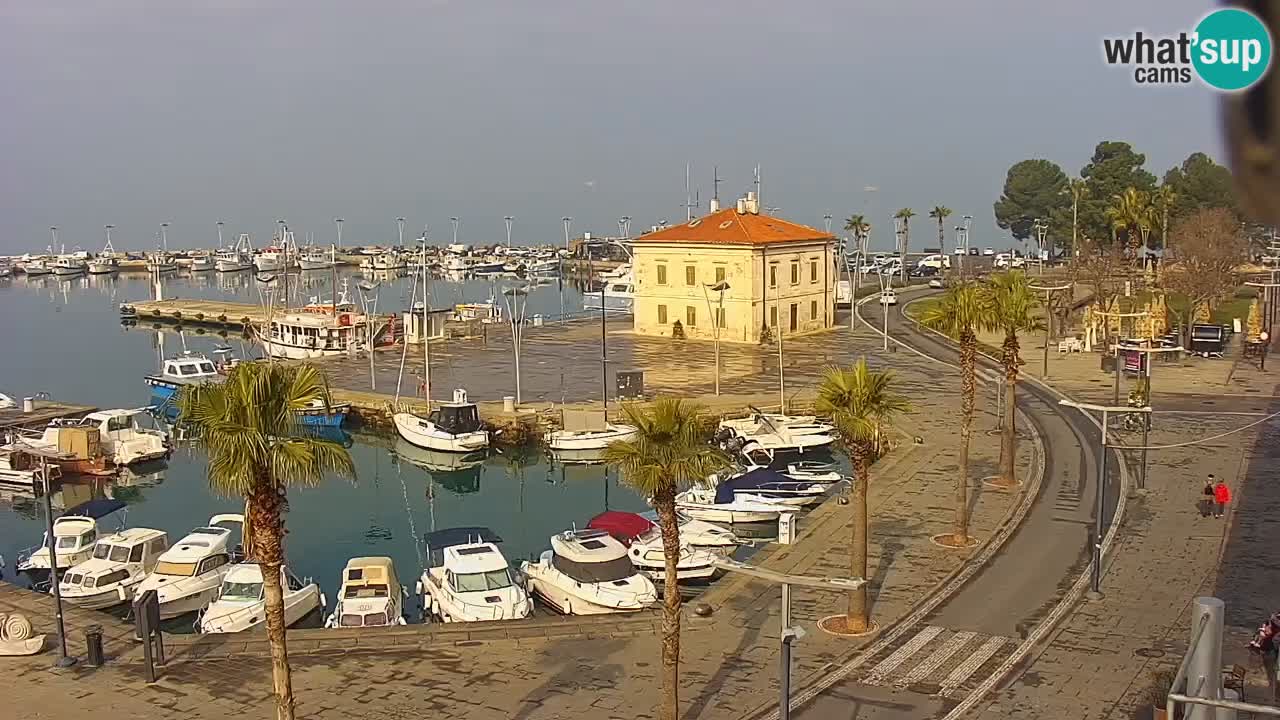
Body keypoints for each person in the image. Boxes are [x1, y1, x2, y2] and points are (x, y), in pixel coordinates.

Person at [1250, 612, 1280, 701]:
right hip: (1270, 652)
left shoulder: (1271, 624)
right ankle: (1274, 696)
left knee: (1272, 675)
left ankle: (1274, 695)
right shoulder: (1275, 629)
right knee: (1273, 675)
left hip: (1268, 652)